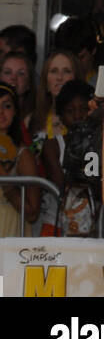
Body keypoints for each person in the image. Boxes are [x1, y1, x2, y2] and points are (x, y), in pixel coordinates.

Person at [41, 80, 102, 237]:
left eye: (83, 109)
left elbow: (94, 185)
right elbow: (61, 187)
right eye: (70, 111)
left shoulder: (99, 146)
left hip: (90, 226)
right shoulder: (53, 146)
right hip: (56, 226)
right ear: (61, 116)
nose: (78, 116)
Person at [0, 82, 41, 236]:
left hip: (9, 231)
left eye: (7, 106)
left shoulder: (23, 154)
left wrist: (4, 177)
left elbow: (32, 213)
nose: (0, 112)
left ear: (15, 112)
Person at [30, 50, 84, 142]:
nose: (59, 77)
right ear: (45, 81)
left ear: (76, 78)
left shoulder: (86, 119)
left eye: (67, 71)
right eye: (54, 71)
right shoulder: (32, 120)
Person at [0, 50, 37, 139]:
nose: (13, 77)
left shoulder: (38, 118)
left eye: (21, 73)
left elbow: (35, 151)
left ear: (29, 83)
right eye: (8, 72)